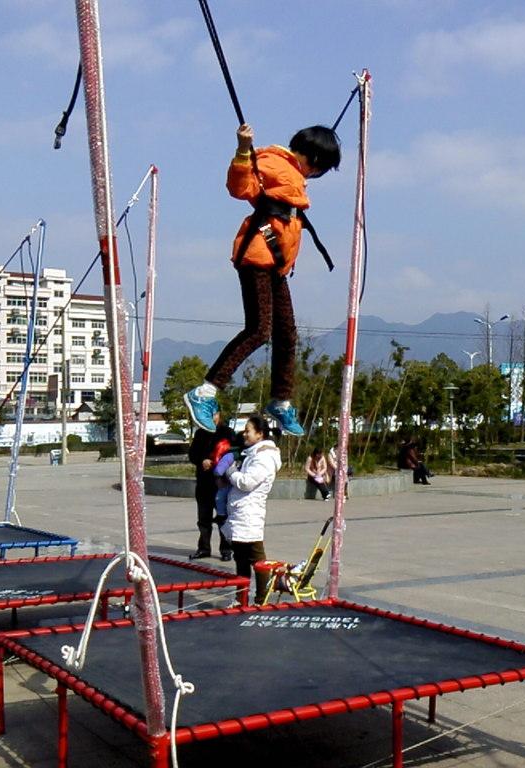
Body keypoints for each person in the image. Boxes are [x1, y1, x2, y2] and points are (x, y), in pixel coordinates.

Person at [184, 123, 342, 437]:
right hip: (257, 258)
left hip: (276, 266)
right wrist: (244, 149)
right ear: (310, 157)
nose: (314, 176)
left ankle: (281, 400)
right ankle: (204, 391)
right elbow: (239, 186)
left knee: (287, 334)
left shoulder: (293, 175)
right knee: (259, 330)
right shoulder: (272, 162)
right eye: (318, 168)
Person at [224, 415, 281, 601]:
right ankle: (241, 598)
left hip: (250, 514)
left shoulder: (264, 458)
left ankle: (261, 599)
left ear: (260, 434)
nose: (244, 434)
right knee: (241, 560)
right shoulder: (253, 453)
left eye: (248, 430)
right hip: (241, 514)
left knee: (257, 560)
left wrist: (231, 472)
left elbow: (247, 482)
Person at [186, 411, 236, 562]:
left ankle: (226, 549)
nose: (211, 418)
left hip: (221, 483)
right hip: (204, 482)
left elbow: (235, 452)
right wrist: (202, 460)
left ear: (219, 414)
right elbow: (192, 454)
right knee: (203, 518)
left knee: (223, 517)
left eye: (213, 414)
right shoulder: (200, 433)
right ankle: (203, 548)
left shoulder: (227, 432)